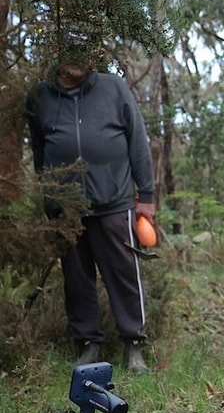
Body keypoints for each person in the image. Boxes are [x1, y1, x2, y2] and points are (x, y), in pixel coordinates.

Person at [26, 26, 156, 374]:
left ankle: (134, 346)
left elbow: (138, 142)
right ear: (57, 50)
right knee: (77, 278)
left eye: (84, 53)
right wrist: (49, 197)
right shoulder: (39, 98)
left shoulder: (113, 89)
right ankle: (89, 344)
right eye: (71, 51)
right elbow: (40, 151)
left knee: (124, 274)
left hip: (114, 203)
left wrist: (147, 196)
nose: (78, 60)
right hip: (66, 210)